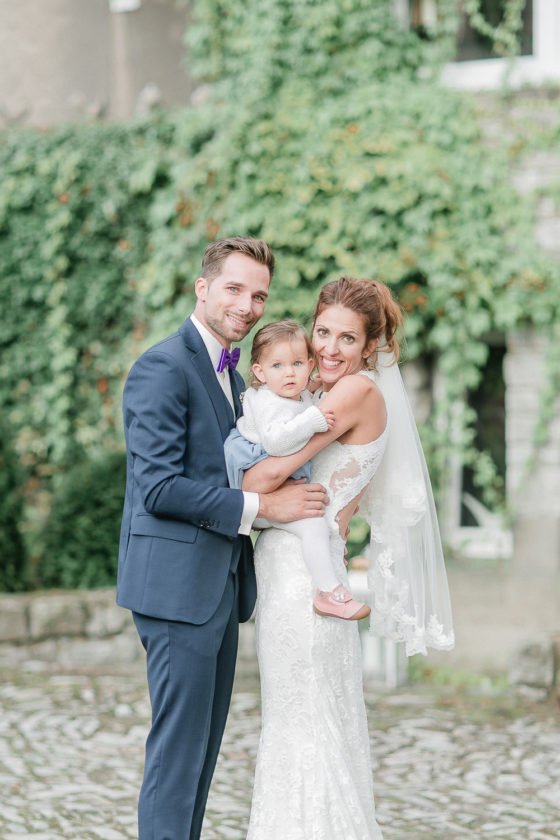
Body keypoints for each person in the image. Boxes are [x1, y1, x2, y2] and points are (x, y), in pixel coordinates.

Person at [116, 236, 329, 840]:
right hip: (176, 591)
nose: (247, 304)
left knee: (202, 755)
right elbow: (157, 487)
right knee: (178, 755)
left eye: (258, 294)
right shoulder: (162, 366)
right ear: (202, 288)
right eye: (234, 289)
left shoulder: (240, 381)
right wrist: (265, 505)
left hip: (220, 588)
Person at [242, 276, 454, 839]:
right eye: (322, 333)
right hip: (302, 567)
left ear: (370, 347)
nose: (330, 349)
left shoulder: (354, 392)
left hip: (301, 576)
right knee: (303, 721)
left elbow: (266, 473)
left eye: (347, 338)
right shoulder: (322, 392)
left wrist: (252, 484)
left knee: (303, 727)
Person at [224, 318, 371, 621]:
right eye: (278, 366)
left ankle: (328, 588)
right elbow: (277, 443)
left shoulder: (293, 393)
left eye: (297, 364)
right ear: (260, 373)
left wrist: (312, 391)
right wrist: (312, 419)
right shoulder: (267, 400)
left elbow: (304, 397)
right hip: (258, 486)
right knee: (314, 526)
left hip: (279, 488)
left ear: (309, 365)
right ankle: (329, 592)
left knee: (315, 528)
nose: (289, 372)